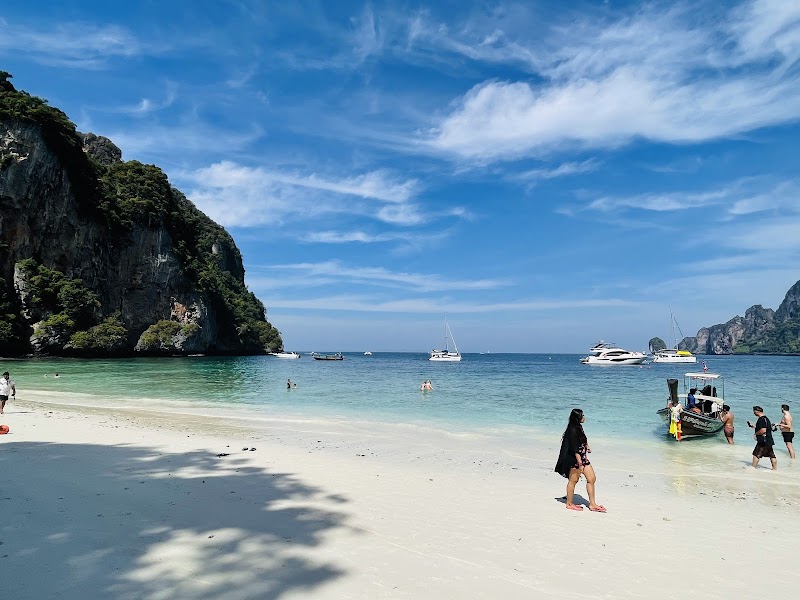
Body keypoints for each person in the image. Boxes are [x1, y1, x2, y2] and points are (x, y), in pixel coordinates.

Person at [554, 408, 606, 513]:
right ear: (577, 417)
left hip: (582, 457)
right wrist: (580, 463)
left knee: (592, 479)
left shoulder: (578, 427)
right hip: (575, 459)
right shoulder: (572, 429)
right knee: (573, 481)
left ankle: (592, 504)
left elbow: (582, 439)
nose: (584, 417)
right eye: (582, 416)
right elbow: (574, 448)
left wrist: (587, 446)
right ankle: (569, 503)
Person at [748, 406, 777, 470]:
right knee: (771, 455)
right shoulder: (766, 419)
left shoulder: (761, 419)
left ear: (756, 411)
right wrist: (755, 427)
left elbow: (763, 430)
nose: (753, 413)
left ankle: (753, 468)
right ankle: (775, 469)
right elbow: (765, 428)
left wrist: (755, 434)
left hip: (763, 440)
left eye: (754, 411)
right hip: (769, 440)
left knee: (756, 454)